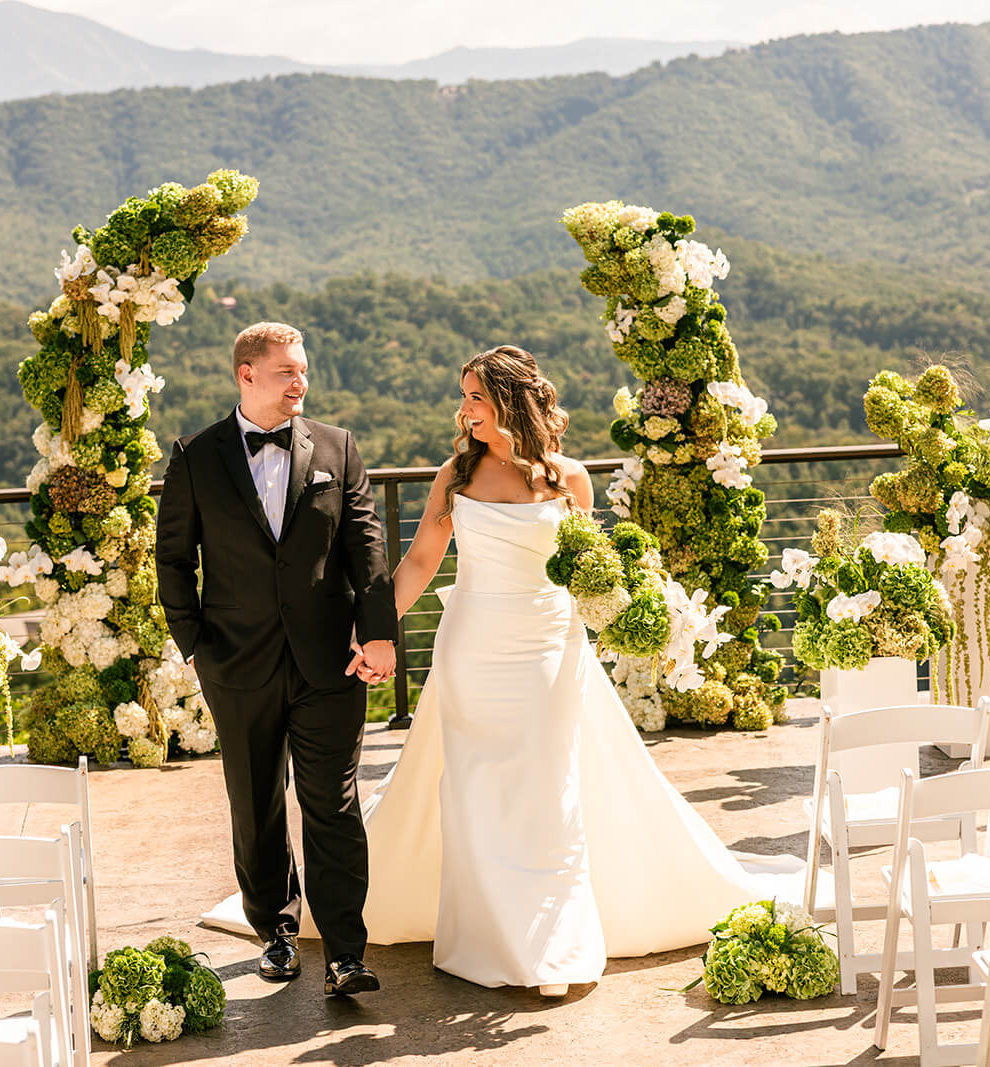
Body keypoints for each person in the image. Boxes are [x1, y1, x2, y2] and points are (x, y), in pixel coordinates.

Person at [206, 344, 800, 996]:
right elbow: (419, 564)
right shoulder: (455, 475)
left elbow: (589, 573)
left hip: (549, 649)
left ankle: (551, 942)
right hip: (471, 650)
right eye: (464, 397)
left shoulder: (570, 478)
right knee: (475, 789)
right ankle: (485, 937)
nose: (464, 411)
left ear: (513, 402)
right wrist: (371, 633)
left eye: (475, 398)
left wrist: (622, 612)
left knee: (547, 790)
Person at [156, 321, 399, 997]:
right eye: (286, 370)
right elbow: (173, 561)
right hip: (236, 664)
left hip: (330, 665)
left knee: (333, 805)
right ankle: (277, 932)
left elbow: (367, 548)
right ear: (246, 374)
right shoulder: (196, 458)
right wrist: (198, 646)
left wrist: (377, 633)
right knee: (257, 803)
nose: (300, 381)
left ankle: (346, 952)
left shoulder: (338, 447)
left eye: (304, 370)